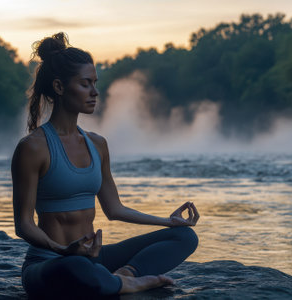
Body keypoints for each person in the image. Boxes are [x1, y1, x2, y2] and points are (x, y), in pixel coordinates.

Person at [11, 32, 199, 298]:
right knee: (76, 266)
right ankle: (123, 284)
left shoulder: (97, 144)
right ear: (59, 87)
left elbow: (114, 209)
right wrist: (61, 249)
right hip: (49, 264)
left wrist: (169, 222)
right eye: (85, 84)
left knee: (185, 238)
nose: (95, 92)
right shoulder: (32, 147)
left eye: (95, 83)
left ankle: (125, 276)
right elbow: (23, 225)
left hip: (93, 261)